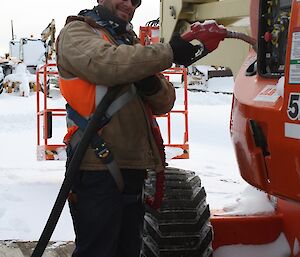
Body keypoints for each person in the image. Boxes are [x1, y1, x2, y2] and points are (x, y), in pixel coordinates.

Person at [56, 0, 225, 256]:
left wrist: (149, 82)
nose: (128, 3)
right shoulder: (78, 32)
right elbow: (105, 63)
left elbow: (165, 101)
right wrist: (166, 52)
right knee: (97, 250)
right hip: (96, 166)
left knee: (128, 250)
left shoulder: (129, 44)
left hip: (132, 167)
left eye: (135, 0)